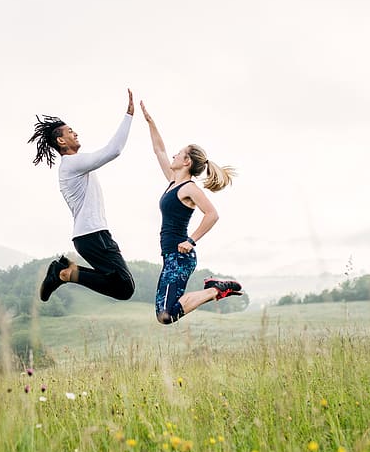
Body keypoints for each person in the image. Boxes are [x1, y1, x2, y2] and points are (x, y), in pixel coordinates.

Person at [28, 90, 136, 302]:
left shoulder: (75, 165)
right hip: (92, 235)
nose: (75, 133)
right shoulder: (71, 163)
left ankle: (65, 271)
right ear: (61, 141)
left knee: (121, 285)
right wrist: (129, 115)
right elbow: (113, 150)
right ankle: (63, 273)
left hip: (93, 235)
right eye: (70, 131)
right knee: (124, 288)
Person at [141, 100, 242, 324]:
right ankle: (215, 288)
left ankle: (216, 289)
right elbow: (159, 150)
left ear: (186, 161)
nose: (174, 156)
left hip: (180, 256)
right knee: (162, 313)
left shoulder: (189, 188)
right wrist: (150, 122)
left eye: (178, 154)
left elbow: (212, 214)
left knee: (166, 316)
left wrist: (191, 240)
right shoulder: (172, 182)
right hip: (169, 256)